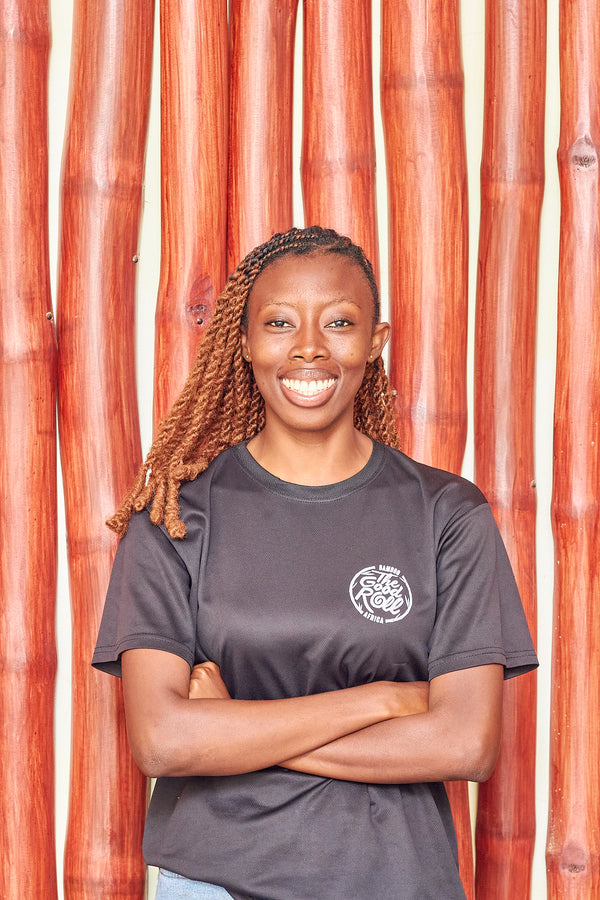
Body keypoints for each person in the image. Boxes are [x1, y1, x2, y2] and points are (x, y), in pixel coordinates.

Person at [92, 226, 538, 900]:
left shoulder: (446, 513)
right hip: (217, 883)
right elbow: (162, 742)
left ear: (375, 342)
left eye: (338, 322)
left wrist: (233, 727)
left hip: (397, 883)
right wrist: (382, 701)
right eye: (279, 323)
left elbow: (465, 746)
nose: (308, 347)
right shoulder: (176, 518)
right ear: (244, 342)